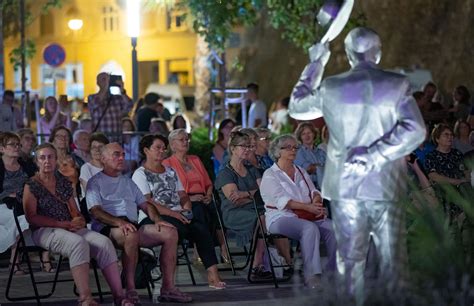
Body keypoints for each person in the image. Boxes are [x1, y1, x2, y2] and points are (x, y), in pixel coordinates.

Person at [289, 27, 426, 303]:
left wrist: (316, 62)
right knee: (393, 261)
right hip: (385, 185)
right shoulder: (396, 84)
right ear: (378, 52)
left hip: (346, 187)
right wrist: (374, 155)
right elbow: (416, 130)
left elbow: (297, 105)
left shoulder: (331, 87)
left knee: (350, 262)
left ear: (349, 54)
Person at [22, 143, 133, 306]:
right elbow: (32, 217)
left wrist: (78, 219)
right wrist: (61, 224)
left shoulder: (62, 182)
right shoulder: (31, 184)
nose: (47, 161)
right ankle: (85, 298)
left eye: (50, 157)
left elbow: (74, 210)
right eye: (42, 157)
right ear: (36, 161)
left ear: (56, 160)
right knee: (78, 243)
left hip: (68, 226)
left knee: (104, 242)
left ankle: (119, 296)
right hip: (44, 230)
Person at [87, 143, 192, 303]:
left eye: (123, 154)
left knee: (170, 232)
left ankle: (168, 288)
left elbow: (146, 204)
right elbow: (95, 211)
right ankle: (130, 289)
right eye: (116, 154)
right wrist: (118, 222)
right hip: (109, 227)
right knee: (130, 234)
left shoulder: (128, 182)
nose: (122, 158)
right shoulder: (95, 182)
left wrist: (158, 220)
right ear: (103, 158)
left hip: (132, 225)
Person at [133, 134, 226, 289]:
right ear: (146, 150)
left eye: (164, 148)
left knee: (201, 228)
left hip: (178, 214)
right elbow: (148, 201)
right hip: (153, 216)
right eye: (158, 148)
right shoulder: (140, 173)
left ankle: (213, 275)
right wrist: (175, 214)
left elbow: (183, 195)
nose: (162, 151)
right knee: (183, 227)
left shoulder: (170, 171)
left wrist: (187, 209)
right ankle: (169, 285)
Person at [260, 135, 337, 288]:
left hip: (307, 215)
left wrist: (316, 200)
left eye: (295, 147)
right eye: (288, 147)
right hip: (280, 217)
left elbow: (314, 190)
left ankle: (333, 272)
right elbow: (283, 202)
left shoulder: (300, 170)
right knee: (309, 228)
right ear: (277, 151)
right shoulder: (270, 174)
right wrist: (309, 207)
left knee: (334, 228)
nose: (293, 150)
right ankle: (311, 275)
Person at [163, 129, 230, 262]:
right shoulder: (167, 164)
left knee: (217, 209)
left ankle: (224, 250)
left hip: (203, 196)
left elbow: (208, 182)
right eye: (181, 140)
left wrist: (209, 195)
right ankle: (200, 250)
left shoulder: (195, 159)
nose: (185, 142)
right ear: (172, 145)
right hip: (184, 199)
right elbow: (169, 190)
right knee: (198, 210)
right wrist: (189, 198)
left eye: (187, 139)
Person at [215, 131, 270, 279]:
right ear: (233, 148)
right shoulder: (225, 173)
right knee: (263, 218)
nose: (247, 149)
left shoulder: (252, 170)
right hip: (234, 213)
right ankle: (256, 266)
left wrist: (245, 193)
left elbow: (264, 193)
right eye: (243, 146)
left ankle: (285, 263)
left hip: (257, 209)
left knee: (274, 217)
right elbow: (235, 200)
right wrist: (253, 195)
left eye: (249, 146)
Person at [0, 132, 46, 274]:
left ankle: (19, 261)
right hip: (3, 206)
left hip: (25, 204)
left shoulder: (27, 166)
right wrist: (8, 195)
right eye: (12, 144)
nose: (16, 147)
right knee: (23, 219)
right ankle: (15, 261)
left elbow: (37, 185)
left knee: (29, 216)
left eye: (18, 144)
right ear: (1, 148)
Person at [87, 73, 133, 141]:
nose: (107, 81)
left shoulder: (117, 98)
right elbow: (96, 104)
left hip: (116, 139)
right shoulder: (92, 97)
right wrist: (105, 87)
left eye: (109, 79)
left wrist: (122, 90)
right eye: (103, 79)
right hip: (100, 139)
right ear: (98, 83)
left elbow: (129, 106)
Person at [294, 122, 326, 190]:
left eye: (309, 133)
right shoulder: (298, 152)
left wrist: (317, 167)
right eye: (303, 134)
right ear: (300, 137)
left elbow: (330, 169)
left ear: (314, 134)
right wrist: (321, 167)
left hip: (323, 189)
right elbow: (308, 169)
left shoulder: (321, 152)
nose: (307, 136)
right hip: (306, 191)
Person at [80, 133, 109, 197]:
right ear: (90, 150)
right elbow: (90, 192)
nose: (97, 150)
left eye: (100, 147)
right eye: (93, 147)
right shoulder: (86, 168)